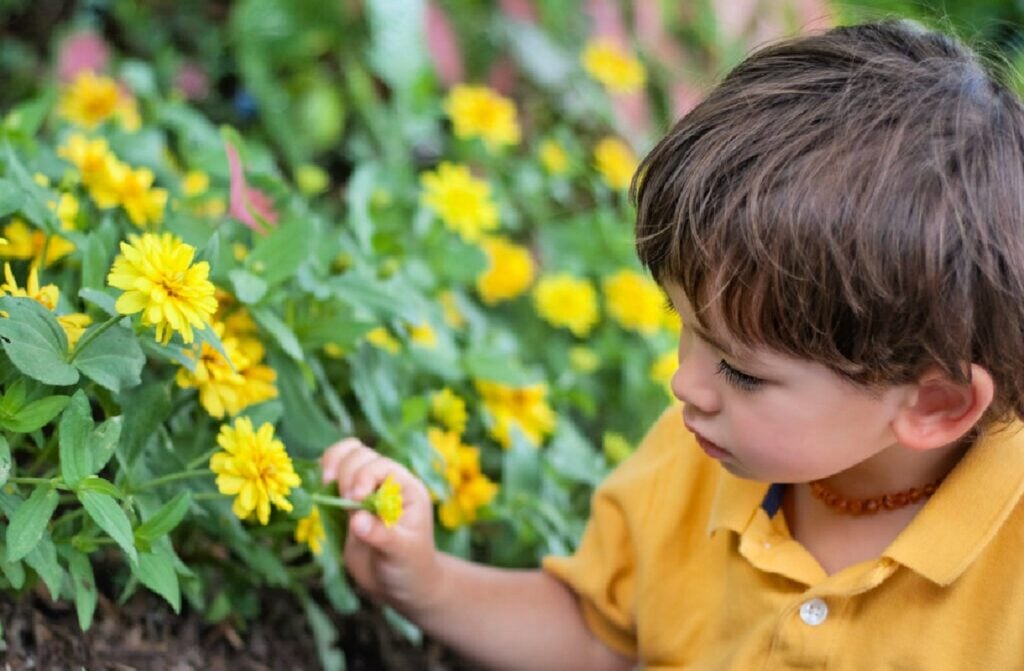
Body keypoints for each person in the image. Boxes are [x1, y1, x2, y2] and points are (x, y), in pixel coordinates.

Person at [320, 20, 1024, 669]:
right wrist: (426, 583)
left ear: (935, 403)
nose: (685, 383)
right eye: (684, 326)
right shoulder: (698, 461)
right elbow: (598, 634)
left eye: (741, 371)